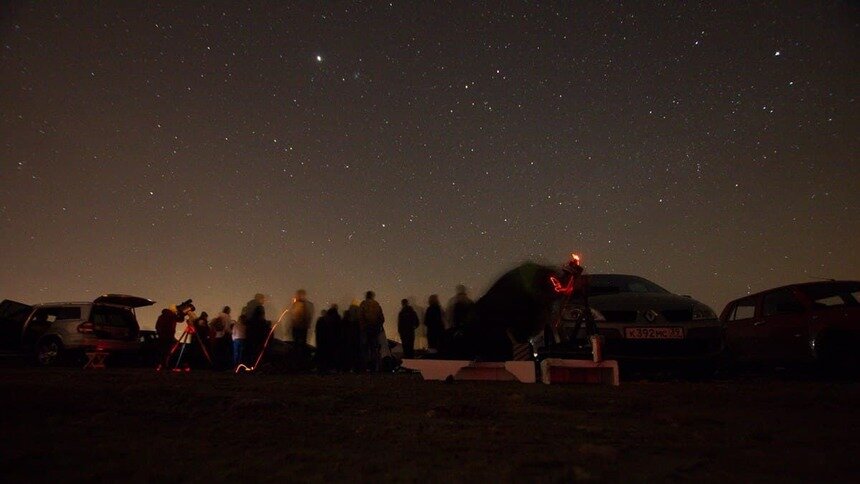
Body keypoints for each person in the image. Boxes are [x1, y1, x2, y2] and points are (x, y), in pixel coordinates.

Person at [155, 300, 194, 367]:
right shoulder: (171, 315)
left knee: (163, 351)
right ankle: (166, 365)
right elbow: (180, 320)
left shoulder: (161, 316)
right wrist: (183, 313)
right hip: (168, 336)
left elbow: (157, 326)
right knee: (168, 351)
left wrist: (160, 333)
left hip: (162, 336)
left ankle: (162, 364)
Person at [358, 291, 385, 371]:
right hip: (374, 329)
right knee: (374, 348)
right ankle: (373, 366)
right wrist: (378, 326)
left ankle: (364, 366)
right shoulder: (376, 304)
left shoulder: (363, 304)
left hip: (366, 330)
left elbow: (360, 317)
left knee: (365, 348)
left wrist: (362, 327)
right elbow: (382, 318)